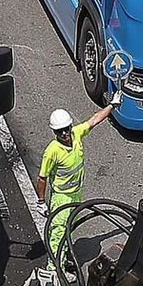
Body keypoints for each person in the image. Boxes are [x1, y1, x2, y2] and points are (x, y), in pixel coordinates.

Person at [37, 104, 113, 269]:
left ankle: (62, 258)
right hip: (61, 198)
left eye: (66, 129)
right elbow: (42, 177)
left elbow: (94, 120)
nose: (64, 134)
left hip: (75, 194)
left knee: (69, 229)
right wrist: (41, 201)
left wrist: (112, 105)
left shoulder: (76, 133)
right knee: (58, 233)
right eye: (59, 131)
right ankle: (54, 268)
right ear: (54, 132)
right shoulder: (52, 151)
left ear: (70, 126)